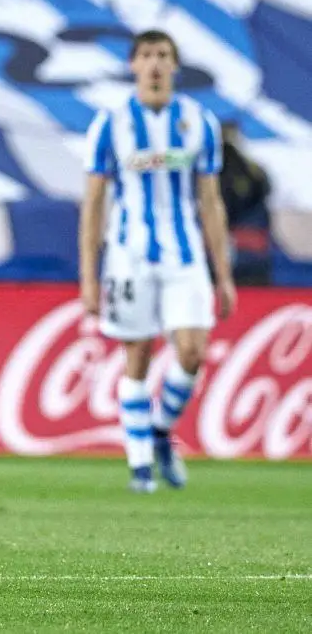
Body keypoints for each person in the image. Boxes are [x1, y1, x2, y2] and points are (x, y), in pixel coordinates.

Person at [79, 29, 236, 494]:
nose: (154, 64)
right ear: (133, 65)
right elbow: (93, 204)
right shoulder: (110, 124)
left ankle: (161, 430)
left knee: (192, 352)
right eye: (146, 55)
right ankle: (141, 467)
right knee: (137, 355)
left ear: (174, 65)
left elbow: (211, 201)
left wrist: (224, 273)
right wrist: (88, 275)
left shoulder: (199, 122)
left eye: (163, 55)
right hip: (128, 255)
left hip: (184, 255)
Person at [218, 119, 272, 286]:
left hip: (247, 245)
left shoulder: (252, 170)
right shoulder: (207, 168)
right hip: (216, 241)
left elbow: (263, 192)